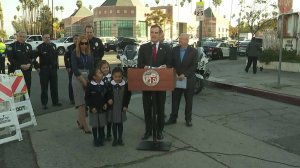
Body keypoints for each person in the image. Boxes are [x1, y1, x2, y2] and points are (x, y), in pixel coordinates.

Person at [137, 25, 171, 140]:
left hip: (161, 84)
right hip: (147, 83)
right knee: (147, 109)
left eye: (156, 32)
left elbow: (170, 64)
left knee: (160, 109)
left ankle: (159, 131)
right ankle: (148, 130)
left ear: (159, 34)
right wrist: (144, 66)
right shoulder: (143, 48)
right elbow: (139, 64)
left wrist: (166, 66)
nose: (154, 34)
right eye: (152, 32)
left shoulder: (166, 48)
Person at [165, 33, 198, 127]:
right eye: (179, 38)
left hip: (188, 80)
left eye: (182, 39)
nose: (179, 40)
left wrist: (184, 74)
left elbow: (194, 66)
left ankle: (188, 119)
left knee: (189, 101)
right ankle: (173, 118)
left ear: (187, 40)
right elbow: (170, 63)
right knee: (175, 100)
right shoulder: (174, 50)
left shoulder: (193, 51)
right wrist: (174, 73)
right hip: (176, 79)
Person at [71, 35, 94, 133]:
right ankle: (85, 125)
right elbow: (75, 69)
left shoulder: (90, 53)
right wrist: (84, 81)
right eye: (82, 43)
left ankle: (80, 122)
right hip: (78, 78)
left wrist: (90, 80)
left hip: (88, 76)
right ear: (78, 43)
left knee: (86, 101)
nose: (84, 45)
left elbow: (92, 68)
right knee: (81, 103)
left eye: (86, 43)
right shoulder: (74, 53)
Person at [35, 33, 62, 109]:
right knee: (44, 87)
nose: (47, 39)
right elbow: (33, 58)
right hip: (44, 70)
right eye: (46, 37)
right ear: (43, 38)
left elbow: (56, 57)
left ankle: (55, 102)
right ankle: (44, 103)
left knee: (54, 86)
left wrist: (57, 66)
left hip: (53, 69)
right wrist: (37, 67)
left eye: (48, 37)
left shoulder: (53, 46)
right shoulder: (39, 47)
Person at [85, 68, 109, 147]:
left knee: (101, 125)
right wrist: (91, 107)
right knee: (95, 126)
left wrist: (106, 103)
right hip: (94, 110)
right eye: (99, 73)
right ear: (94, 77)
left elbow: (106, 96)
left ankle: (101, 138)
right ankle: (95, 139)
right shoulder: (90, 86)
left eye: (101, 73)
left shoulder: (104, 84)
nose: (101, 73)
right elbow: (87, 98)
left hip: (102, 109)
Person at [109, 67, 131, 146]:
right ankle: (115, 139)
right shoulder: (110, 85)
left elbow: (128, 96)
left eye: (119, 77)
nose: (118, 78)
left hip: (121, 107)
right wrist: (109, 100)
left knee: (120, 124)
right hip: (113, 108)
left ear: (122, 76)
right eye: (116, 77)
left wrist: (126, 105)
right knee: (114, 124)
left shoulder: (125, 85)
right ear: (112, 76)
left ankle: (120, 138)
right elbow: (107, 94)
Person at [98, 60, 113, 141]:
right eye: (103, 68)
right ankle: (102, 134)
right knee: (102, 118)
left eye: (107, 67)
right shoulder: (99, 78)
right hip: (102, 102)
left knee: (109, 119)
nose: (105, 69)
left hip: (110, 102)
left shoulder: (112, 77)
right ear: (100, 69)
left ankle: (109, 133)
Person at [64, 34, 79, 104]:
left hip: (80, 68)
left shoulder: (82, 47)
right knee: (71, 84)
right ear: (73, 40)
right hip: (71, 69)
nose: (76, 40)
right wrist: (67, 67)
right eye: (75, 39)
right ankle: (72, 99)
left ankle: (79, 98)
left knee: (80, 84)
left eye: (78, 39)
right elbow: (65, 58)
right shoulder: (69, 48)